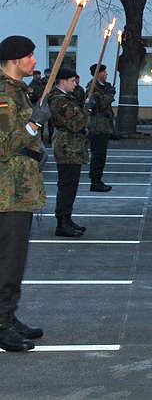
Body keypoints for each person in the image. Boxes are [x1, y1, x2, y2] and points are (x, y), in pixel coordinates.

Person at [0, 35, 49, 352]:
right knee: (9, 259)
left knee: (14, 259)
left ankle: (8, 315)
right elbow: (4, 143)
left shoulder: (19, 91)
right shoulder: (4, 93)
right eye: (30, 56)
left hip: (21, 187)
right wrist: (33, 126)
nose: (34, 61)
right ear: (15, 60)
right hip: (8, 190)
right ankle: (2, 322)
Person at [48, 67, 88, 238]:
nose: (75, 83)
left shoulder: (66, 98)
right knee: (67, 186)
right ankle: (62, 223)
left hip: (72, 147)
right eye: (72, 80)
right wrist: (88, 111)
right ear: (62, 81)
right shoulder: (59, 100)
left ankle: (67, 219)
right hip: (67, 147)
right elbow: (75, 124)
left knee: (71, 186)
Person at [87, 63, 114, 192]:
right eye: (104, 72)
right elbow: (100, 104)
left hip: (105, 126)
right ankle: (95, 181)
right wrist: (109, 96)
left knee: (102, 156)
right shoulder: (92, 87)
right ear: (98, 74)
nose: (106, 74)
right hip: (97, 126)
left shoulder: (105, 87)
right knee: (97, 155)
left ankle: (98, 179)